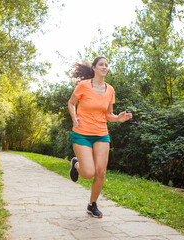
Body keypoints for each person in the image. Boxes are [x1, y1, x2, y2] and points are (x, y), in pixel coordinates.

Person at [67, 56, 132, 218]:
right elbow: (71, 103)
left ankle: (92, 204)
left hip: (101, 133)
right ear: (94, 68)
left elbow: (108, 114)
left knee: (101, 172)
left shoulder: (110, 90)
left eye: (106, 65)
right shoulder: (83, 86)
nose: (104, 67)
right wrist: (74, 118)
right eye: (101, 64)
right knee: (88, 173)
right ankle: (76, 164)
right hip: (82, 133)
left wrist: (118, 118)